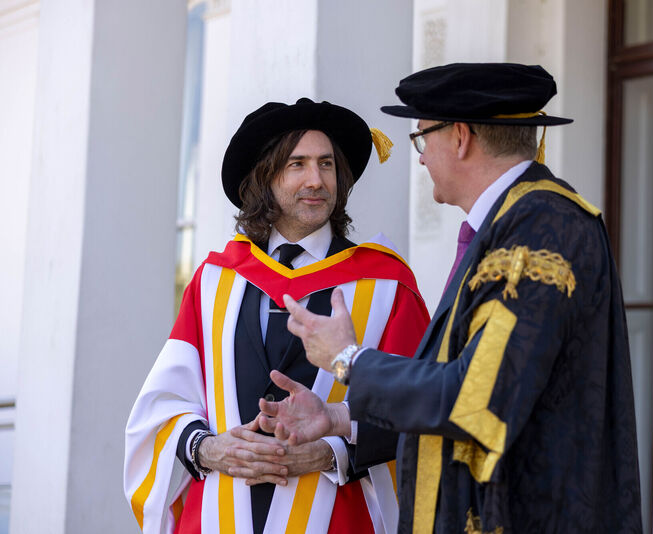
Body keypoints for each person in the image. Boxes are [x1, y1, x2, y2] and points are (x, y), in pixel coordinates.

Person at [257, 64, 644, 533]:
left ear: (459, 137)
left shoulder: (540, 228)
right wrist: (338, 417)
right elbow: (465, 378)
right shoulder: (513, 224)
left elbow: (477, 397)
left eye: (421, 138)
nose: (419, 158)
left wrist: (348, 361)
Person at [124, 98, 430, 534]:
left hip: (337, 516)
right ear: (265, 179)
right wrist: (209, 449)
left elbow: (421, 410)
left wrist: (333, 453)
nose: (316, 180)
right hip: (219, 513)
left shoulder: (385, 284)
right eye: (297, 164)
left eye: (327, 165)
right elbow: (165, 403)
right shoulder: (215, 280)